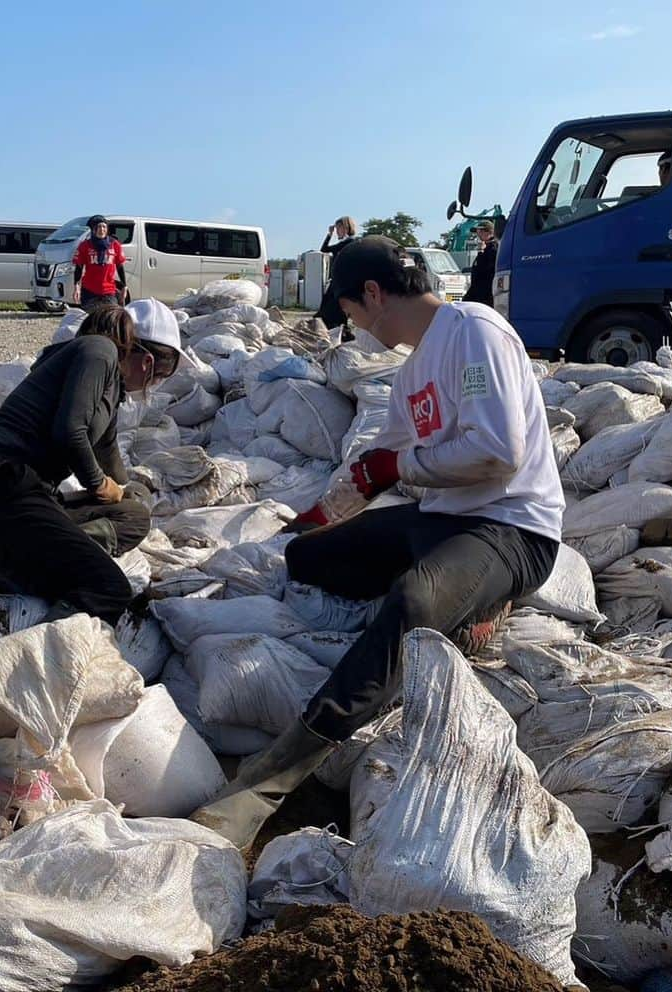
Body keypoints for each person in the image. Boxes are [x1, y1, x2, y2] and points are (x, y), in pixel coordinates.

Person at [193, 236, 563, 850]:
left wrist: (400, 469)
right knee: (310, 558)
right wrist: (321, 514)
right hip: (442, 521)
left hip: (512, 528)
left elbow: (499, 452)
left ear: (373, 293)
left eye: (354, 314)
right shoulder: (412, 370)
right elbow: (379, 462)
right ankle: (457, 601)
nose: (357, 330)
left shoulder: (474, 332)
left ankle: (267, 782)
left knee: (413, 606)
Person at [0, 301, 186, 625]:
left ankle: (32, 553)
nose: (154, 386)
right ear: (147, 363)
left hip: (23, 493)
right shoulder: (99, 352)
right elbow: (69, 431)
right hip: (0, 487)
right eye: (160, 377)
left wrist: (130, 490)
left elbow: (108, 453)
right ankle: (22, 592)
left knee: (134, 517)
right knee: (110, 589)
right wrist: (98, 483)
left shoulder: (107, 385)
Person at [72, 215, 127, 311]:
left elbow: (120, 266)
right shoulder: (85, 246)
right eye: (98, 227)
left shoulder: (115, 245)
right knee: (91, 320)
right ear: (93, 230)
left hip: (109, 291)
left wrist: (124, 286)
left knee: (109, 319)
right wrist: (76, 286)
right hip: (89, 291)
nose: (101, 230)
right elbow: (79, 267)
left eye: (104, 227)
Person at [463, 219, 498, 306]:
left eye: (480, 231)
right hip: (476, 290)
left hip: (485, 293)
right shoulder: (485, 247)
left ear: (489, 232)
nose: (478, 235)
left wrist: (481, 251)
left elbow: (487, 268)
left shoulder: (493, 248)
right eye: (478, 232)